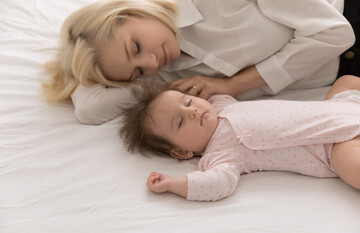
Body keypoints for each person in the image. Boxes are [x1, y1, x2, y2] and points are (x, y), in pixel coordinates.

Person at [43, 0, 358, 125]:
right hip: (347, 80)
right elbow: (89, 110)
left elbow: (336, 32)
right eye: (137, 70)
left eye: (136, 45)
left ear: (131, 10)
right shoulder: (163, 73)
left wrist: (233, 85)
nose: (151, 62)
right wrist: (77, 58)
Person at [119, 75, 360, 201]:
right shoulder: (220, 154)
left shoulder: (222, 104)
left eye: (188, 102)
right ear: (182, 152)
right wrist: (173, 183)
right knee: (354, 169)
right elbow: (217, 184)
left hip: (339, 107)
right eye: (180, 122)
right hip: (332, 146)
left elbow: (209, 89)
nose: (191, 111)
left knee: (346, 81)